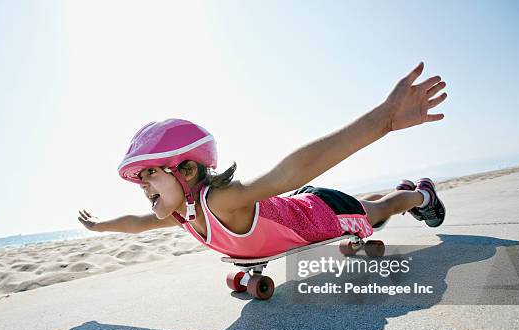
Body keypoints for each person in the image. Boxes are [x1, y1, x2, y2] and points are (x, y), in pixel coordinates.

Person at [78, 62, 447, 258]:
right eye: (140, 179)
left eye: (151, 174)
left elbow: (288, 172)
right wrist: (100, 227)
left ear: (188, 170)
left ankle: (421, 196)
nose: (142, 185)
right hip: (295, 204)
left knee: (380, 210)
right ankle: (409, 193)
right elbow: (137, 223)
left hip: (323, 212)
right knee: (377, 208)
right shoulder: (182, 212)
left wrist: (381, 120)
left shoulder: (217, 200)